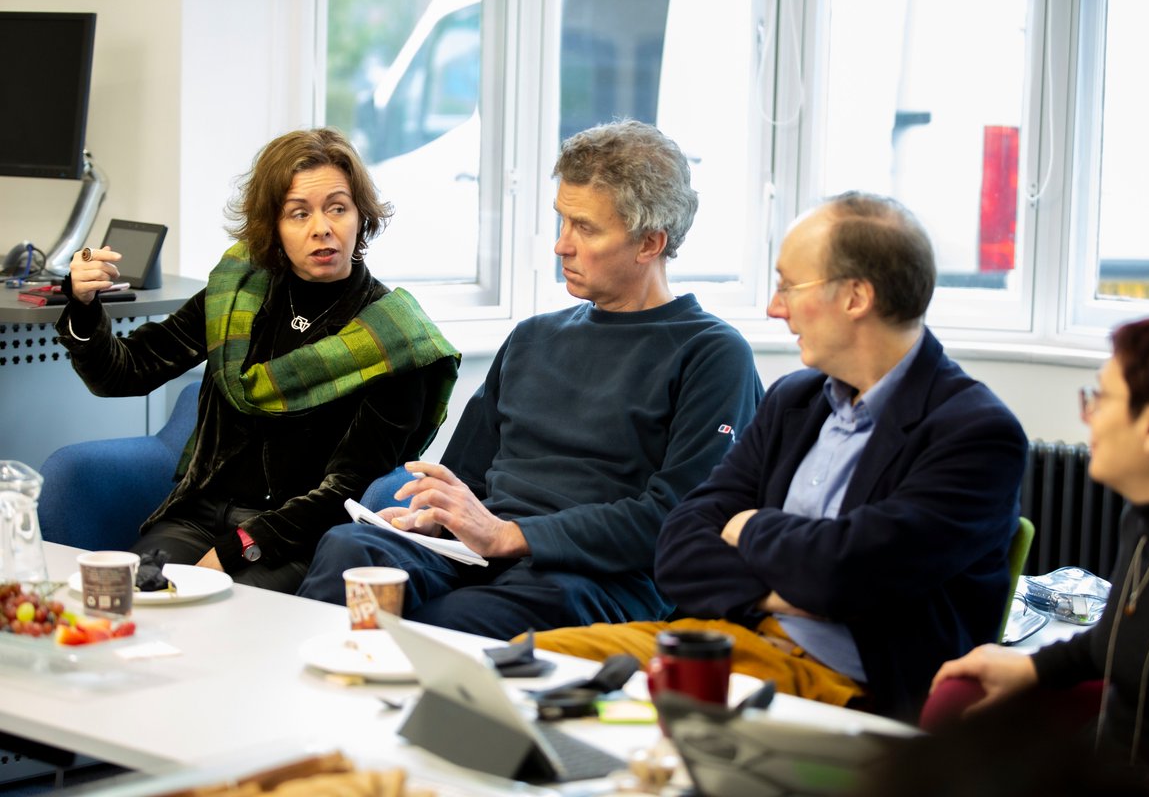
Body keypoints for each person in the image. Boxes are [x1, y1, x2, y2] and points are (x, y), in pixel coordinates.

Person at [533, 191, 1028, 721]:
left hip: (849, 691)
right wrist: (788, 591)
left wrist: (748, 529)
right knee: (525, 663)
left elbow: (846, 573)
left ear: (856, 297)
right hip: (724, 646)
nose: (775, 306)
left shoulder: (976, 433)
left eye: (790, 285)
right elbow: (678, 548)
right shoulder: (796, 400)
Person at [296, 119, 763, 639]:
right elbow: (464, 477)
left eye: (585, 228)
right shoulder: (533, 338)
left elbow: (676, 519)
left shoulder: (712, 354)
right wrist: (435, 516)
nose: (561, 245)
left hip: (592, 578)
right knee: (349, 551)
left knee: (446, 626)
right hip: (481, 552)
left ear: (649, 243)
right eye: (562, 220)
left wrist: (510, 535)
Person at [56, 127, 460, 594]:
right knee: (127, 603)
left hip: (300, 537)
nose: (321, 228)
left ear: (360, 217)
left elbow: (350, 485)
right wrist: (84, 306)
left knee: (228, 622)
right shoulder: (238, 296)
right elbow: (123, 373)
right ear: (273, 225)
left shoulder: (394, 336)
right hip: (197, 515)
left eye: (337, 208)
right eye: (298, 213)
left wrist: (236, 549)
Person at [931, 314, 1149, 787]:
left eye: (1101, 398)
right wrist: (1032, 668)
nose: (1087, 415)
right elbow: (1112, 641)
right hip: (1104, 759)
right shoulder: (1143, 517)